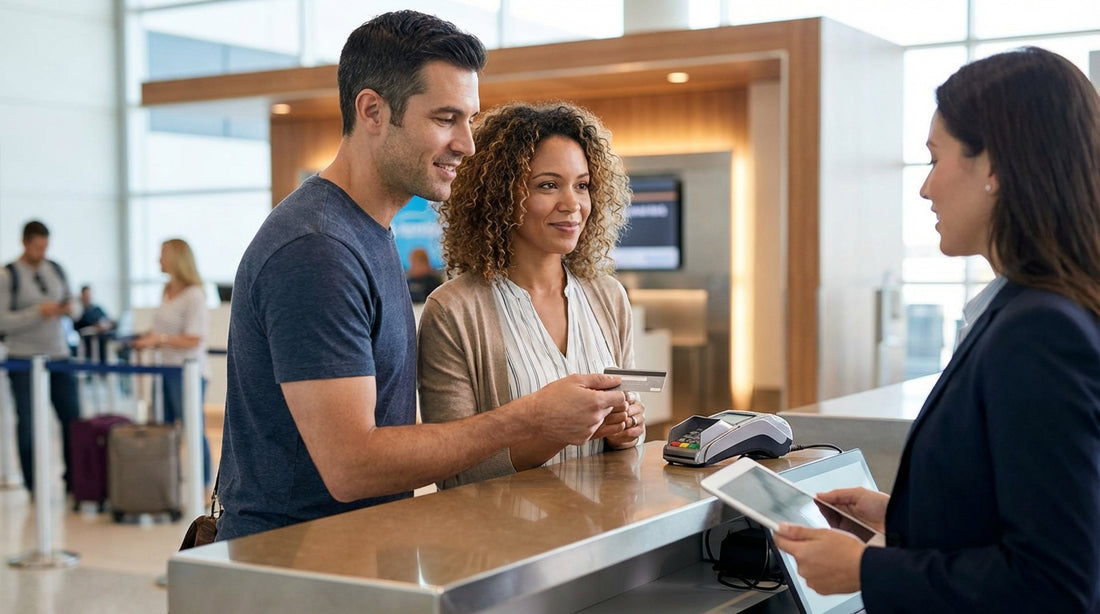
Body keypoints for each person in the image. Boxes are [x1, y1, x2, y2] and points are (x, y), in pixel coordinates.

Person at [216, 10, 627, 541]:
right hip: (293, 565)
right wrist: (529, 420)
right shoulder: (318, 249)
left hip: (352, 552)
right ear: (372, 111)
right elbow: (352, 466)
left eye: (469, 120)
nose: (467, 144)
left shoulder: (367, 230)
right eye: (445, 118)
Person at [772, 47, 1100, 613]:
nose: (925, 189)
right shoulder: (1033, 312)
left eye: (934, 158)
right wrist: (904, 519)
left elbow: (1055, 583)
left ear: (993, 166)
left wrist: (867, 569)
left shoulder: (1040, 331)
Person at [418, 102, 644, 488]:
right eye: (548, 185)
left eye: (582, 185)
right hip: (505, 543)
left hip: (600, 534)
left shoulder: (609, 298)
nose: (572, 204)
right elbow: (452, 471)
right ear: (500, 195)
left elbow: (627, 445)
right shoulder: (453, 310)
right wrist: (557, 431)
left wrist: (625, 432)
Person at [0, 220, 82, 495]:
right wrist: (38, 312)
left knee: (72, 418)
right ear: (25, 243)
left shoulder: (56, 269)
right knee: (29, 422)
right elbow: (3, 321)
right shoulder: (7, 275)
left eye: (46, 247)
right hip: (23, 358)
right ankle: (33, 485)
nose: (42, 253)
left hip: (59, 355)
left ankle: (75, 481)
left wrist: (69, 309)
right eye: (37, 247)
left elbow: (77, 307)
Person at [131, 238, 211, 485]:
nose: (159, 260)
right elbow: (162, 329)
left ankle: (203, 481)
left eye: (163, 254)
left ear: (176, 259)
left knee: (192, 427)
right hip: (164, 369)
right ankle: (169, 479)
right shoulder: (167, 291)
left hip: (187, 371)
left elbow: (194, 338)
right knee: (165, 428)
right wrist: (148, 337)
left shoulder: (194, 295)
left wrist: (160, 338)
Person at [72, 284, 114, 363]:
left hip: (102, 336)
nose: (88, 297)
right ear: (81, 295)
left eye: (89, 294)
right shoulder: (78, 310)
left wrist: (105, 325)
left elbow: (108, 320)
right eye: (86, 294)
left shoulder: (97, 309)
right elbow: (77, 325)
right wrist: (95, 327)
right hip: (87, 339)